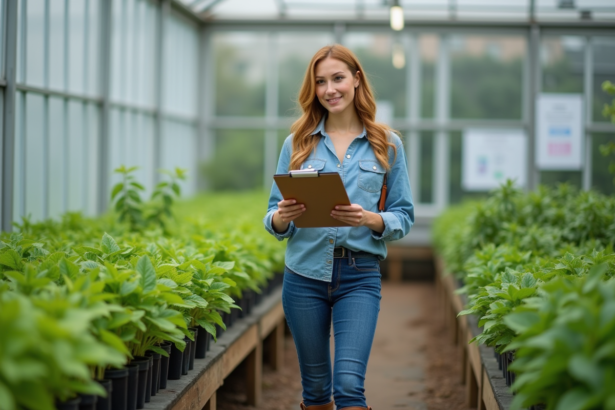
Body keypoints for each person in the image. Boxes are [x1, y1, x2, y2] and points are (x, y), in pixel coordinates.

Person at [263, 44, 414, 410]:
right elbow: (271, 216)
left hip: (359, 276)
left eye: (338, 78)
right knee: (315, 391)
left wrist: (369, 218)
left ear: (357, 80)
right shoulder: (297, 142)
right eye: (320, 82)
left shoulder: (386, 145)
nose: (330, 89)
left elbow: (403, 215)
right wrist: (283, 216)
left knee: (348, 386)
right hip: (303, 276)